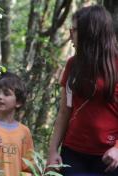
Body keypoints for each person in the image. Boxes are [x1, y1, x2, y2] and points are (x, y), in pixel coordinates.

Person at [47, 5, 118, 176]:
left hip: (110, 159)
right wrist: (52, 152)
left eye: (75, 30)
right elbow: (64, 111)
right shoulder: (73, 64)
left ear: (91, 32)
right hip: (73, 154)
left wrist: (117, 149)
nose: (70, 34)